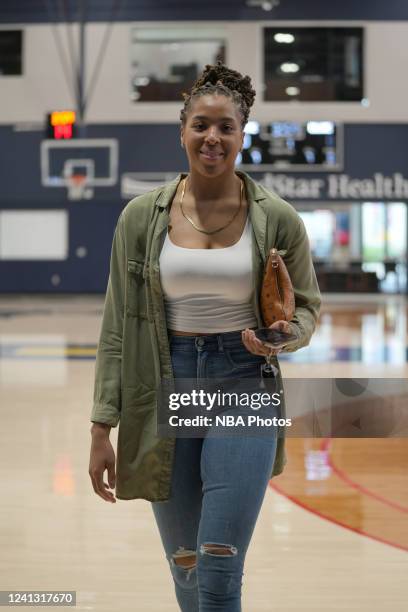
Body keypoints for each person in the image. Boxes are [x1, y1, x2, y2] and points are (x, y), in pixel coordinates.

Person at [89, 62, 321, 611]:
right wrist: (103, 425)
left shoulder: (278, 218)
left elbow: (308, 310)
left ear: (243, 135)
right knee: (187, 565)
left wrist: (283, 337)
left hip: (244, 382)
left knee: (218, 557)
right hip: (166, 384)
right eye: (201, 125)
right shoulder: (141, 218)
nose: (212, 137)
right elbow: (117, 326)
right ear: (182, 130)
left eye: (225, 127)